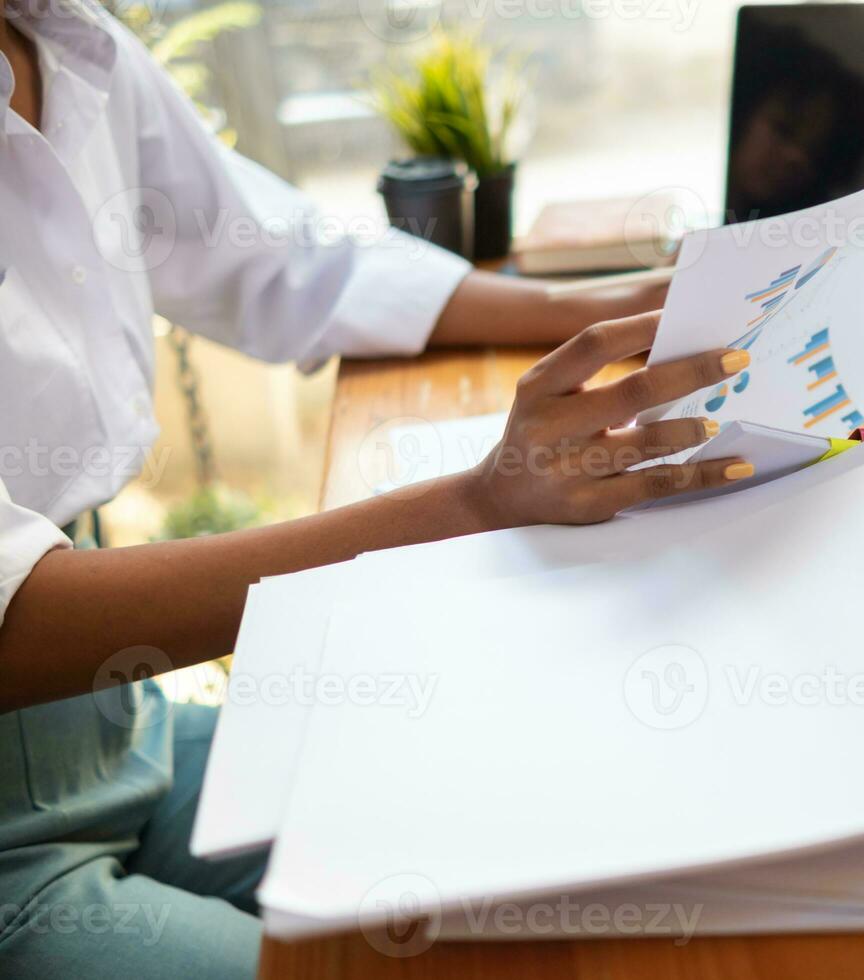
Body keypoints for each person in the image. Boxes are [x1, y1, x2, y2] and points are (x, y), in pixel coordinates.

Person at [0, 2, 751, 976]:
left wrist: (594, 303)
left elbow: (283, 256)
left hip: (118, 733)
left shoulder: (63, 33)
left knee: (550, 867)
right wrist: (474, 504)